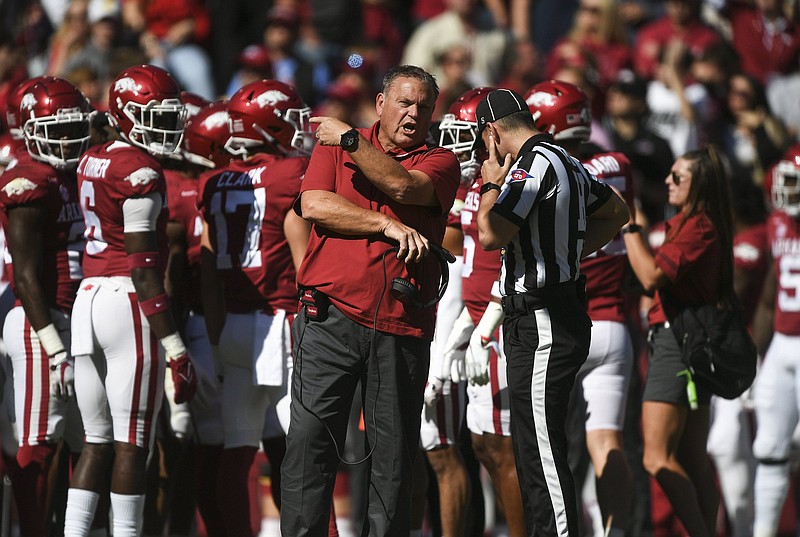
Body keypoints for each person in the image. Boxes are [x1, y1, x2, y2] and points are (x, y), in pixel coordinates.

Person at [280, 64, 460, 536]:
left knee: (393, 457)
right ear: (380, 104)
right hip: (330, 317)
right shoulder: (337, 142)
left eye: (423, 106)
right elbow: (314, 205)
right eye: (403, 101)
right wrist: (384, 225)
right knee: (307, 444)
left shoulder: (440, 161)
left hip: (401, 324)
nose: (412, 113)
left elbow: (403, 185)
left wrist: (351, 143)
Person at [474, 88, 629, 537]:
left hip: (542, 318)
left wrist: (489, 183)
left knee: (540, 450)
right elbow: (616, 211)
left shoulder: (531, 162)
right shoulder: (567, 159)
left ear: (492, 131)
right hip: (549, 312)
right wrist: (568, 253)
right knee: (532, 447)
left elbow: (490, 233)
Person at [63, 64, 197, 537]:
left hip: (88, 297)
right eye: (154, 116)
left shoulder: (91, 158)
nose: (166, 127)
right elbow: (143, 267)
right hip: (126, 302)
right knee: (130, 444)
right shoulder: (140, 171)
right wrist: (177, 349)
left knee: (96, 443)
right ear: (125, 114)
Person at [198, 79, 313, 537]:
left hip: (232, 326)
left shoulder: (214, 182)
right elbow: (305, 262)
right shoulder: (291, 175)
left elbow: (208, 271)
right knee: (306, 450)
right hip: (279, 320)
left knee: (238, 448)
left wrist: (215, 336)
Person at [524, 79, 635, 536]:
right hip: (616, 326)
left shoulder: (549, 168)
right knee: (606, 441)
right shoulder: (619, 164)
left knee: (547, 446)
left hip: (564, 321)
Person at [623, 145, 733, 537]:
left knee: (656, 458)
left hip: (677, 341)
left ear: (698, 184)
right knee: (692, 459)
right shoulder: (696, 223)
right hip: (689, 340)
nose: (667, 182)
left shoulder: (699, 226)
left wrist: (628, 226)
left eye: (677, 177)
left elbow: (652, 277)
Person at [0, 76, 90, 537]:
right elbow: (26, 276)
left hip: (78, 319)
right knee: (39, 442)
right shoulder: (28, 181)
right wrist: (55, 347)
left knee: (83, 441)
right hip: (43, 322)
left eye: (74, 128)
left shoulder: (75, 172)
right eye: (56, 129)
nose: (67, 139)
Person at [438, 86, 526, 537]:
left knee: (502, 446)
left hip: (505, 326)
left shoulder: (514, 181)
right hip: (481, 324)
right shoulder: (478, 186)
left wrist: (485, 323)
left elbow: (518, 259)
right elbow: (464, 260)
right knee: (485, 445)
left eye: (462, 134)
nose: (454, 145)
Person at [751, 144, 800, 537]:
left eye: (794, 183)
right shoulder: (780, 222)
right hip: (783, 343)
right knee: (768, 449)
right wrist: (756, 358)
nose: (786, 192)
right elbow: (769, 296)